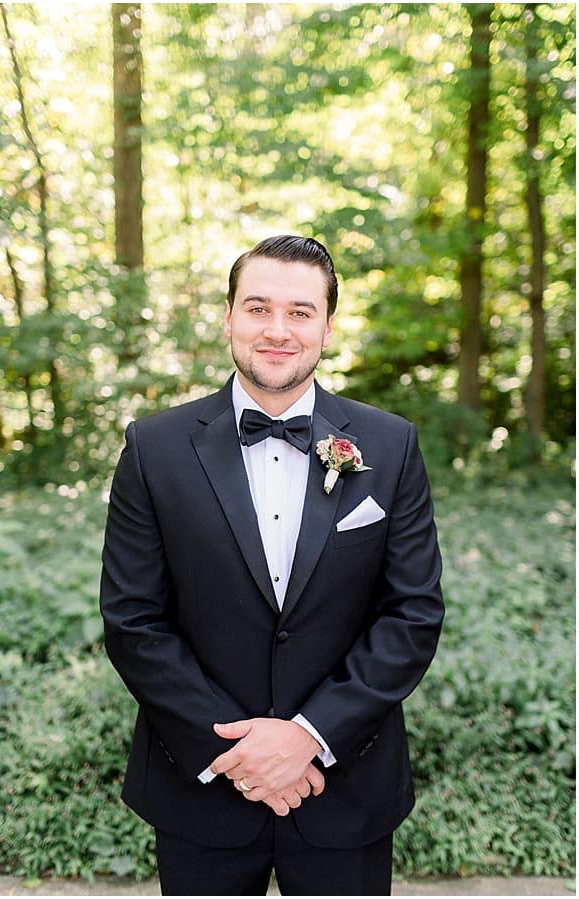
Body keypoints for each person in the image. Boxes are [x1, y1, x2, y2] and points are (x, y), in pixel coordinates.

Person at [100, 235, 445, 895]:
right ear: (228, 317)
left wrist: (308, 737)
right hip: (201, 788)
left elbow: (412, 611)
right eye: (258, 308)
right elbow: (133, 619)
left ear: (328, 326)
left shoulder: (391, 444)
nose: (278, 330)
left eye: (300, 311)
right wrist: (238, 750)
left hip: (346, 784)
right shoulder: (155, 447)